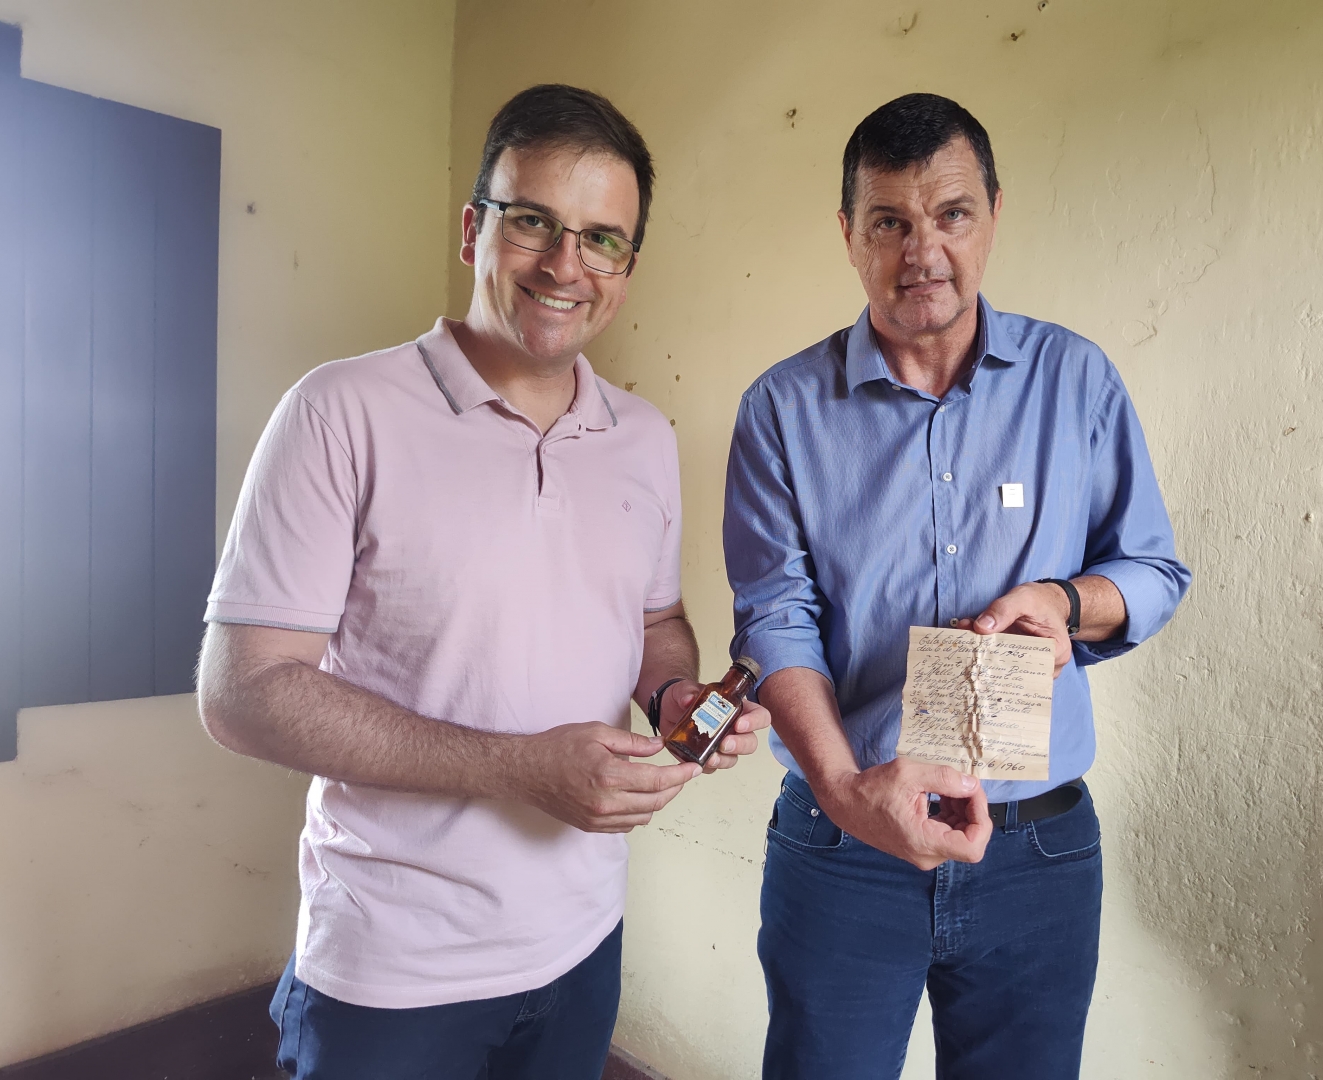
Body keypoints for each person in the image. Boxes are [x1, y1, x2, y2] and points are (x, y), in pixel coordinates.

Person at [196, 83, 768, 1080]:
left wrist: (676, 693)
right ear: (474, 230)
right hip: (392, 968)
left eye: (602, 239)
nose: (565, 265)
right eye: (533, 221)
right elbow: (243, 692)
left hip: (584, 942)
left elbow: (656, 620)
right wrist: (517, 768)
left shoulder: (644, 438)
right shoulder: (339, 412)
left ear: (627, 266)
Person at [724, 92, 1191, 1080]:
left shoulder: (1077, 380)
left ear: (993, 215)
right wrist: (847, 794)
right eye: (889, 222)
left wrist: (1068, 605)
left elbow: (1152, 570)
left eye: (951, 214)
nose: (922, 251)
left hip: (1037, 852)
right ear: (849, 234)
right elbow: (775, 621)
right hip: (843, 843)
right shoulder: (781, 408)